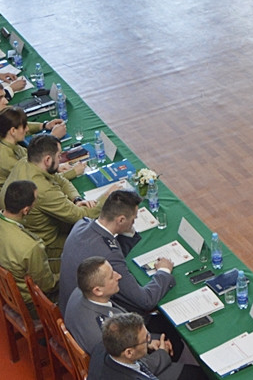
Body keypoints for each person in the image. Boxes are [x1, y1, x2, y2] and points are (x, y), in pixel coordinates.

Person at [58, 189, 174, 314]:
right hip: (88, 314)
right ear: (121, 220)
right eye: (133, 219)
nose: (133, 223)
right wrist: (164, 271)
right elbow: (145, 300)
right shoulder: (109, 254)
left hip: (68, 305)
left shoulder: (81, 224)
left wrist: (126, 231)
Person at [64, 257, 181, 378]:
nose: (118, 276)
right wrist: (162, 354)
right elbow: (130, 367)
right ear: (97, 290)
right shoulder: (102, 334)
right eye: (111, 276)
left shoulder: (82, 291)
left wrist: (147, 342)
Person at [0, 135, 106, 268]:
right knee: (99, 244)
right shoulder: (43, 190)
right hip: (50, 246)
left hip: (28, 232)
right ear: (48, 160)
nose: (60, 159)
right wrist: (108, 198)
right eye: (59, 155)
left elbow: (60, 180)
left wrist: (76, 199)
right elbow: (81, 217)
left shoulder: (25, 162)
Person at [0, 180, 56, 313]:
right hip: (31, 304)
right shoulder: (31, 247)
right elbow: (47, 286)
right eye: (35, 201)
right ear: (25, 210)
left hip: (9, 292)